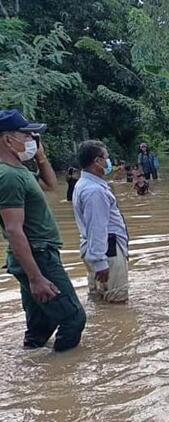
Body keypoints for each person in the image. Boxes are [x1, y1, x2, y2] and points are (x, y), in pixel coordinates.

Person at [0, 109, 86, 351]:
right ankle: (63, 380)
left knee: (41, 325)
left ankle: (36, 375)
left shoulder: (19, 171)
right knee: (73, 318)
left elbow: (50, 185)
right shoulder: (8, 177)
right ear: (8, 140)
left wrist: (40, 155)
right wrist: (36, 277)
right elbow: (14, 230)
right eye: (27, 135)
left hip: (35, 256)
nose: (32, 140)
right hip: (37, 256)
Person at [72, 140, 130, 303]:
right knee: (117, 301)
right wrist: (100, 262)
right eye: (107, 157)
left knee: (99, 300)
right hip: (107, 251)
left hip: (94, 249)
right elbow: (97, 227)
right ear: (97, 161)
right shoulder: (94, 191)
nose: (109, 161)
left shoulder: (83, 184)